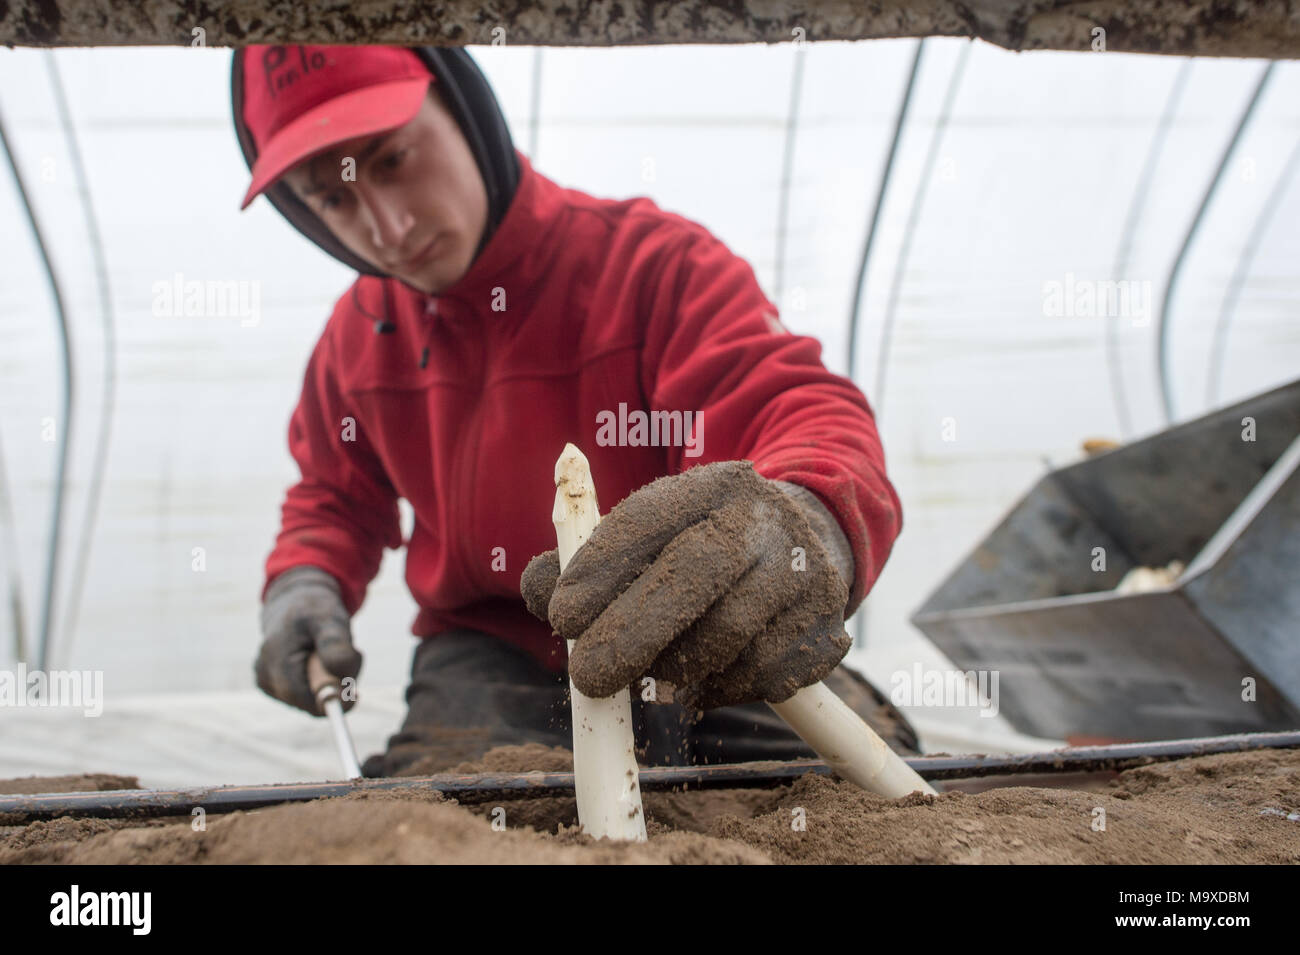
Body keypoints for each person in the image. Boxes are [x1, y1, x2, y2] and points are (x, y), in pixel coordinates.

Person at [232, 43, 919, 777]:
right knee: (438, 824)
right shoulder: (355, 340)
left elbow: (796, 405)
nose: (388, 227)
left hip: (705, 623)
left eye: (395, 158)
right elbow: (333, 498)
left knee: (859, 792)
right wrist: (303, 581)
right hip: (497, 656)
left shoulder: (655, 267)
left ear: (466, 111)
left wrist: (804, 520)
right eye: (332, 196)